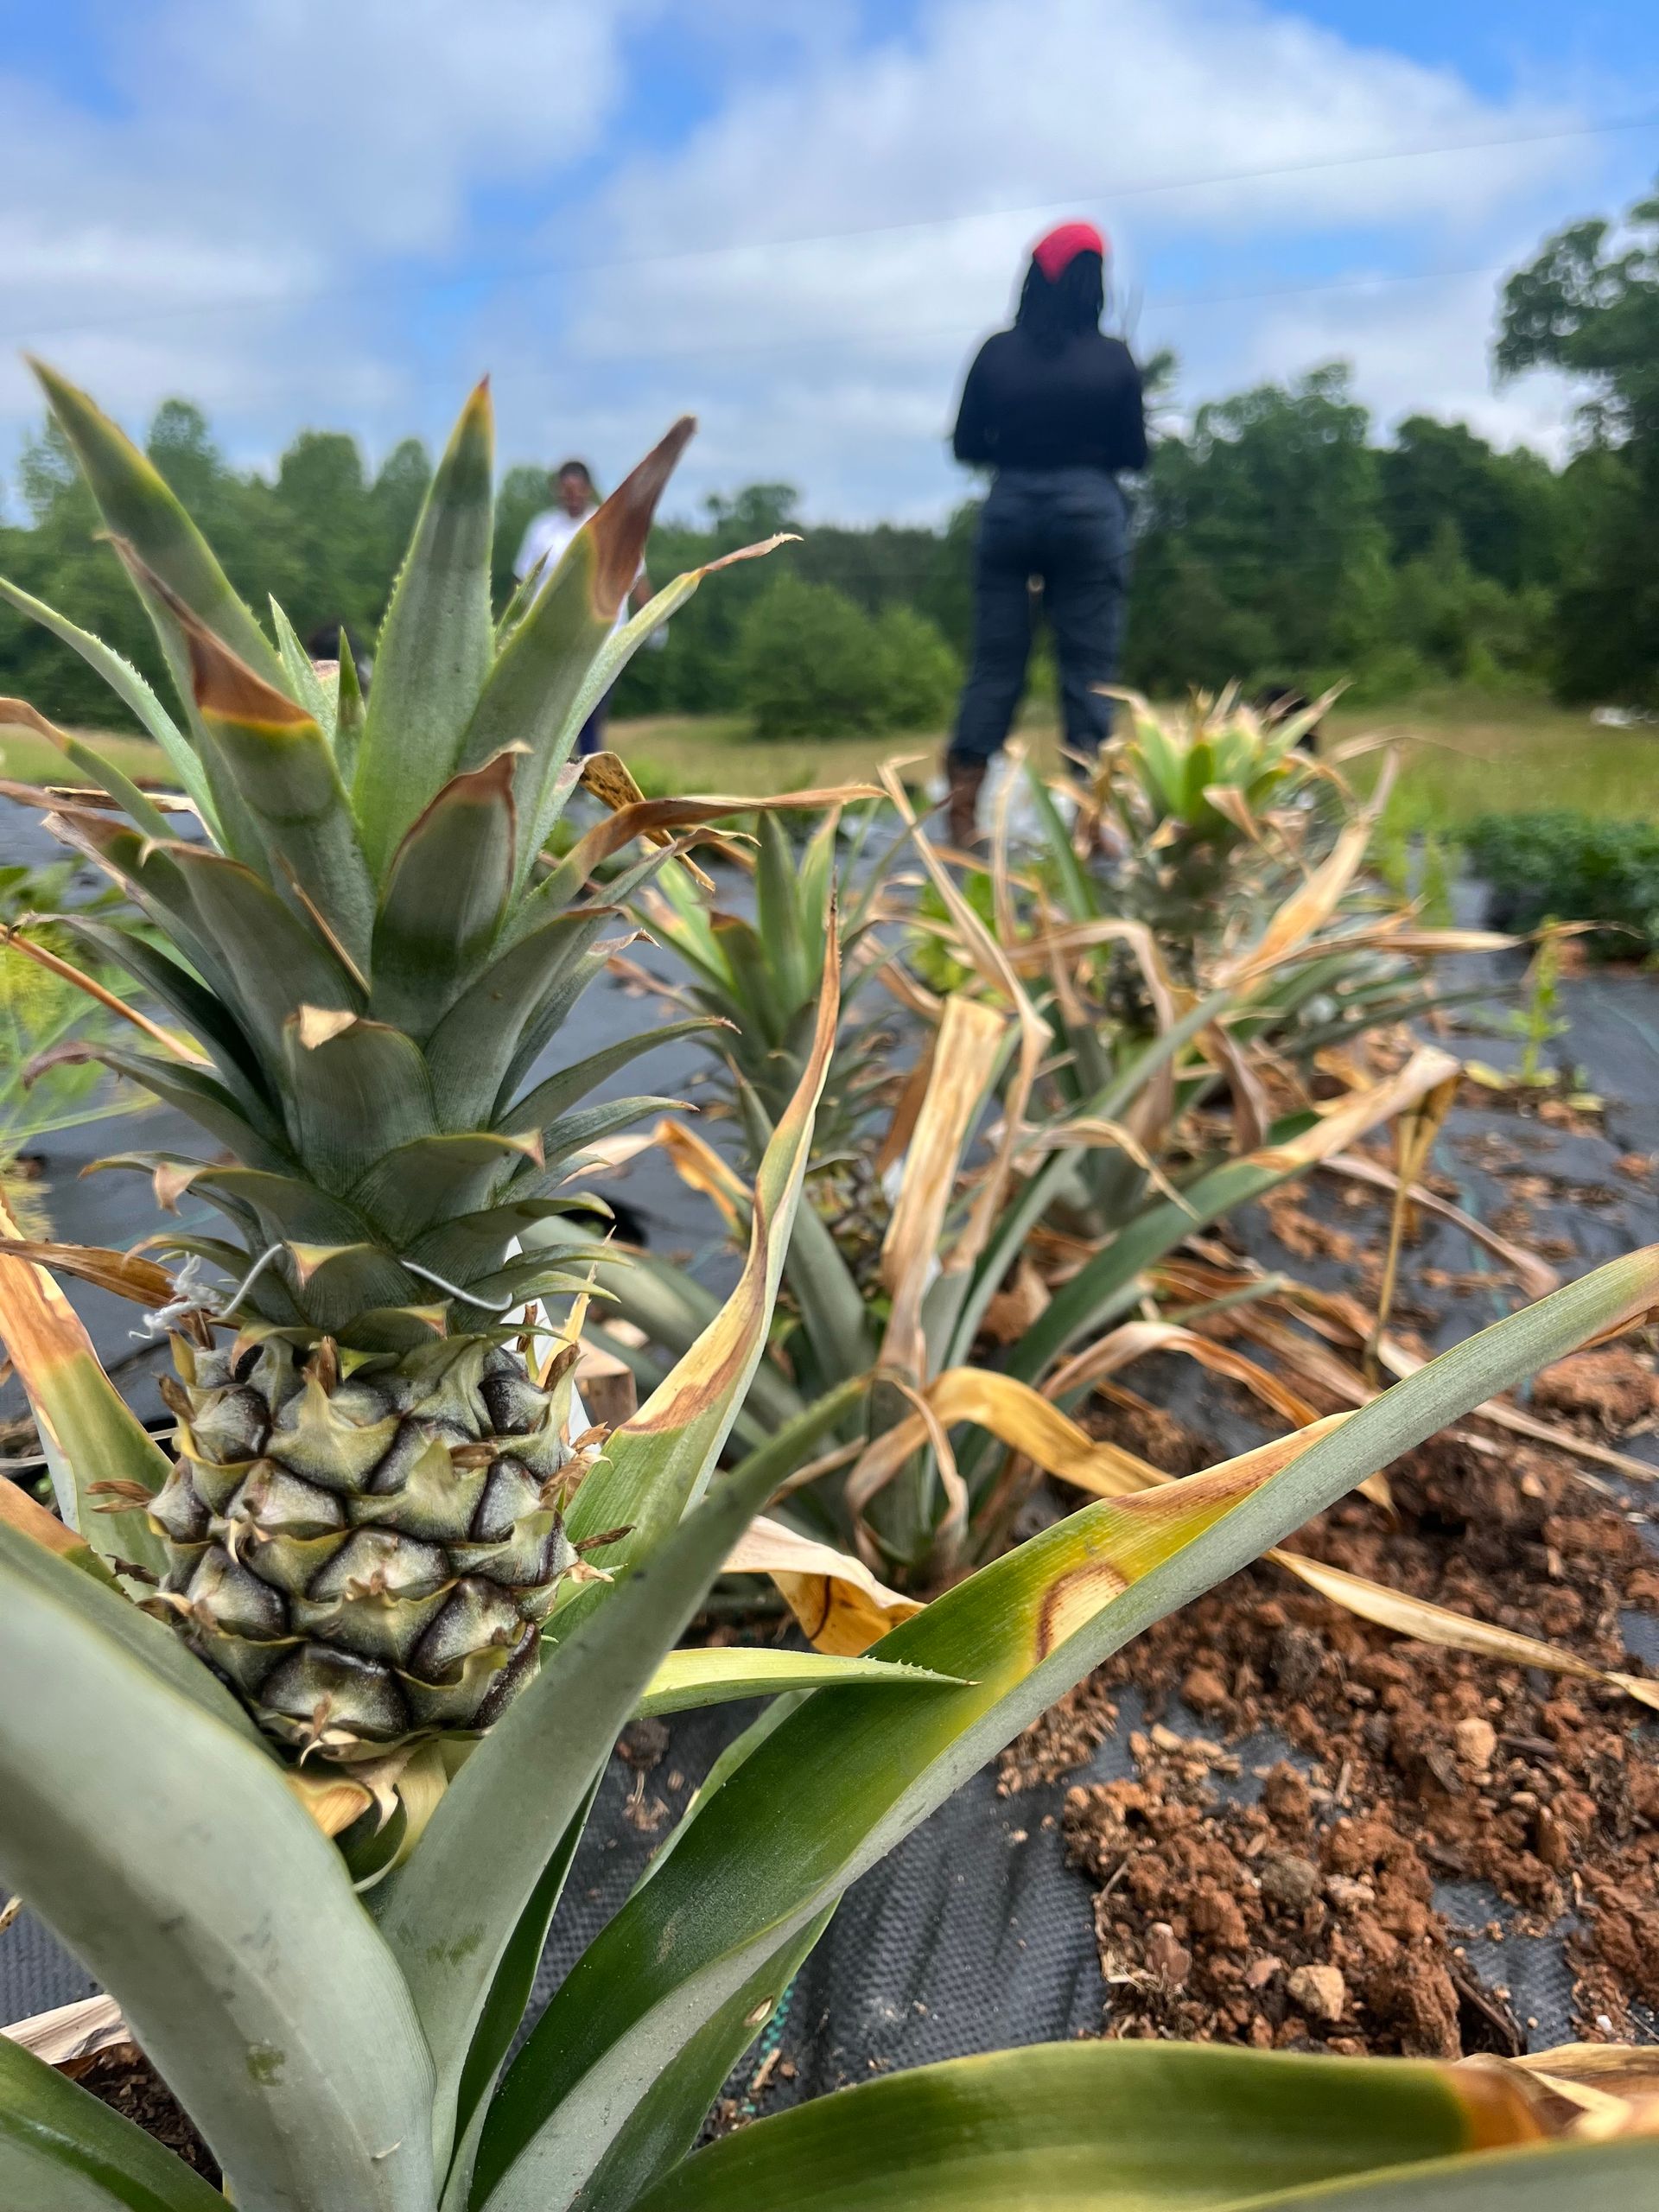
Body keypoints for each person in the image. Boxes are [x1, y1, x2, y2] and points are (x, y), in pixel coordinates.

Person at [944, 220, 1147, 844]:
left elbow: (966, 444)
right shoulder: (1113, 359)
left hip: (1009, 507)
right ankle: (1091, 825)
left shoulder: (996, 352)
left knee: (995, 665)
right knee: (1088, 668)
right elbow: (1135, 455)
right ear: (1096, 282)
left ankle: (961, 817)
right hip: (1089, 510)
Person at [514, 460, 652, 754]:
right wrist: (514, 626)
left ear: (588, 490)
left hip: (600, 638)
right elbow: (522, 581)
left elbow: (637, 574)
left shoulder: (609, 525)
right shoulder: (542, 529)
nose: (572, 495)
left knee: (592, 710)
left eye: (578, 490)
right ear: (557, 491)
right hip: (552, 640)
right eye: (566, 490)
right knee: (551, 713)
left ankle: (589, 783)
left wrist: (652, 621)